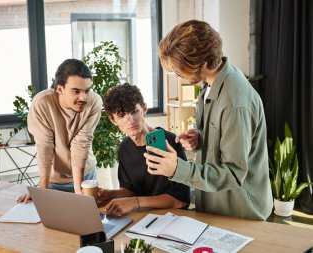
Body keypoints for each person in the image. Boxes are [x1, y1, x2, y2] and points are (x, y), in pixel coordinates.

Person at [144, 20, 273, 220]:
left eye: (180, 70)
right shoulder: (210, 82)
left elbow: (233, 172)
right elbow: (223, 136)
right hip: (215, 206)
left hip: (240, 212)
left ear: (202, 62)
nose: (178, 76)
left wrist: (178, 168)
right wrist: (200, 136)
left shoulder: (234, 102)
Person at [98, 83, 190, 216]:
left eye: (134, 112)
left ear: (144, 109)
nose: (130, 120)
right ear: (113, 119)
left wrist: (136, 202)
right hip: (141, 218)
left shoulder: (169, 142)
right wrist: (110, 194)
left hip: (172, 218)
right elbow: (130, 190)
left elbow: (179, 201)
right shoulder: (124, 148)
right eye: (122, 115)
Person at [17, 59, 102, 203]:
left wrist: (79, 191)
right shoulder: (42, 103)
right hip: (52, 181)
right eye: (76, 91)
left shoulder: (94, 102)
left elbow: (81, 144)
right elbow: (45, 147)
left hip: (85, 178)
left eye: (87, 90)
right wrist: (42, 190)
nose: (83, 97)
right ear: (60, 89)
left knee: (88, 221)